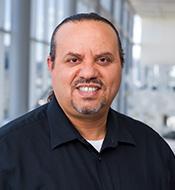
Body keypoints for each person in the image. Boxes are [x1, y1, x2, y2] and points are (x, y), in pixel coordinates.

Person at [0, 13, 175, 190]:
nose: (89, 72)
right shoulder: (7, 153)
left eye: (103, 60)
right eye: (74, 60)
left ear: (121, 65)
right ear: (51, 66)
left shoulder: (153, 149)